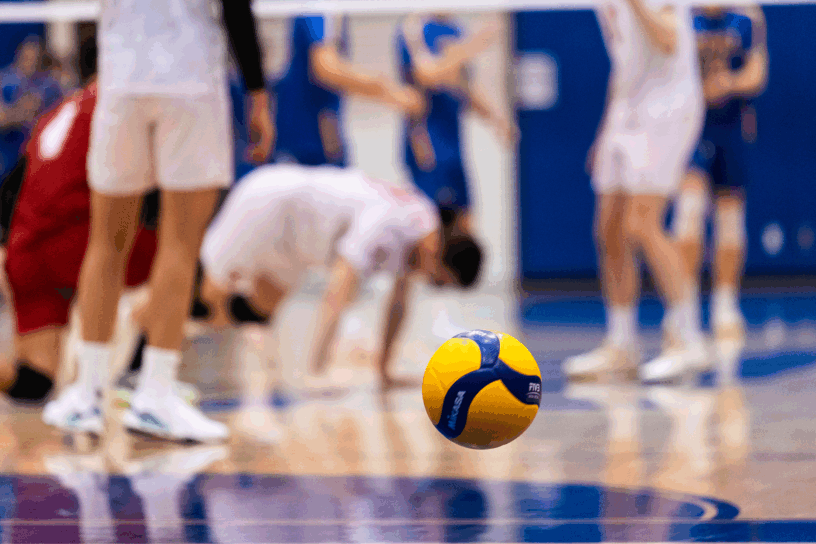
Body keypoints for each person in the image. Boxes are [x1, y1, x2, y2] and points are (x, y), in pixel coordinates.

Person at [42, 0, 274, 442]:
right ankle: (155, 393)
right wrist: (257, 92)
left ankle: (86, 394)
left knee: (106, 242)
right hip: (190, 78)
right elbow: (235, 8)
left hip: (122, 78)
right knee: (180, 246)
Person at [189, 163, 483, 391]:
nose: (431, 282)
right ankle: (152, 340)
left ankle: (170, 331)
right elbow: (339, 288)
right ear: (438, 252)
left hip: (294, 245)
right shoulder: (393, 223)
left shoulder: (421, 227)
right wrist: (316, 370)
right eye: (439, 280)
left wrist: (384, 370)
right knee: (205, 299)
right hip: (268, 205)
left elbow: (398, 304)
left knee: (255, 311)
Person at [563, 0, 706, 383]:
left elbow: (669, 39)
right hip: (627, 106)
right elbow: (623, 58)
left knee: (642, 224)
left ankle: (689, 340)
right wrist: (605, 127)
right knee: (608, 226)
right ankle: (621, 344)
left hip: (668, 106)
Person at [0, 78, 157, 406]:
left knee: (35, 384)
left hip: (26, 250)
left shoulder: (57, 112)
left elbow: (15, 182)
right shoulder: (125, 103)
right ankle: (142, 371)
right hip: (79, 241)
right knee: (181, 253)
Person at [397, 13, 515, 337]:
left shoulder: (456, 30)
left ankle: (462, 321)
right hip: (427, 147)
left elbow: (463, 85)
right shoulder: (414, 27)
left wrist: (495, 117)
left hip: (455, 147)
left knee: (465, 229)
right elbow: (428, 74)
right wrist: (475, 45)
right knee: (428, 232)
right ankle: (424, 324)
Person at [672, 5, 768, 342]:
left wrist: (729, 82)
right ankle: (683, 307)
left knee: (730, 220)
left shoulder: (746, 16)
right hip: (692, 125)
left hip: (731, 126)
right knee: (689, 213)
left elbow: (757, 73)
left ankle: (725, 305)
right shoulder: (681, 14)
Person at [230, 14, 422, 178]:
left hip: (312, 135)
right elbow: (325, 67)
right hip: (309, 138)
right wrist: (390, 91)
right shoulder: (322, 10)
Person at [0, 38, 62, 181]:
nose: (32, 60)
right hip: (8, 161)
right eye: (28, 55)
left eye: (36, 56)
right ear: (19, 55)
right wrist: (21, 112)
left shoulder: (49, 85)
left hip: (36, 159)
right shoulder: (5, 81)